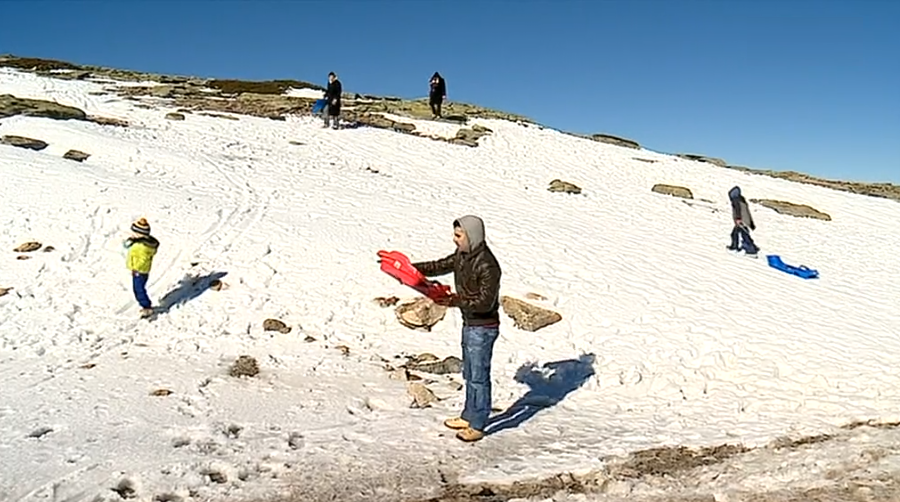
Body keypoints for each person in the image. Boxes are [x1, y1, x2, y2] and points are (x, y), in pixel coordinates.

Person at [412, 215, 502, 442]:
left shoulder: (487, 264)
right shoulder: (463, 255)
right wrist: (411, 269)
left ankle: (479, 424)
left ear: (472, 236)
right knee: (470, 373)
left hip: (483, 327)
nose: (455, 240)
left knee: (479, 377)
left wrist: (453, 301)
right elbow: (440, 265)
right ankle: (469, 415)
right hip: (470, 324)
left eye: (459, 235)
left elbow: (485, 303)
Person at [124, 217, 160, 318]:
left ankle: (146, 307)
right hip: (138, 271)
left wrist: (136, 268)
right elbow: (127, 247)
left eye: (134, 233)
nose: (132, 235)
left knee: (138, 289)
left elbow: (143, 260)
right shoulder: (139, 243)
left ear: (141, 234)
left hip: (140, 271)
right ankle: (146, 305)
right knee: (138, 288)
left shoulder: (143, 246)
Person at [727, 186, 759, 256]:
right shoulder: (741, 200)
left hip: (741, 221)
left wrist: (738, 219)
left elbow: (738, 210)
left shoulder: (736, 200)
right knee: (739, 234)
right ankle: (735, 247)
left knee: (742, 235)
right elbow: (746, 212)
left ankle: (751, 250)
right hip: (745, 220)